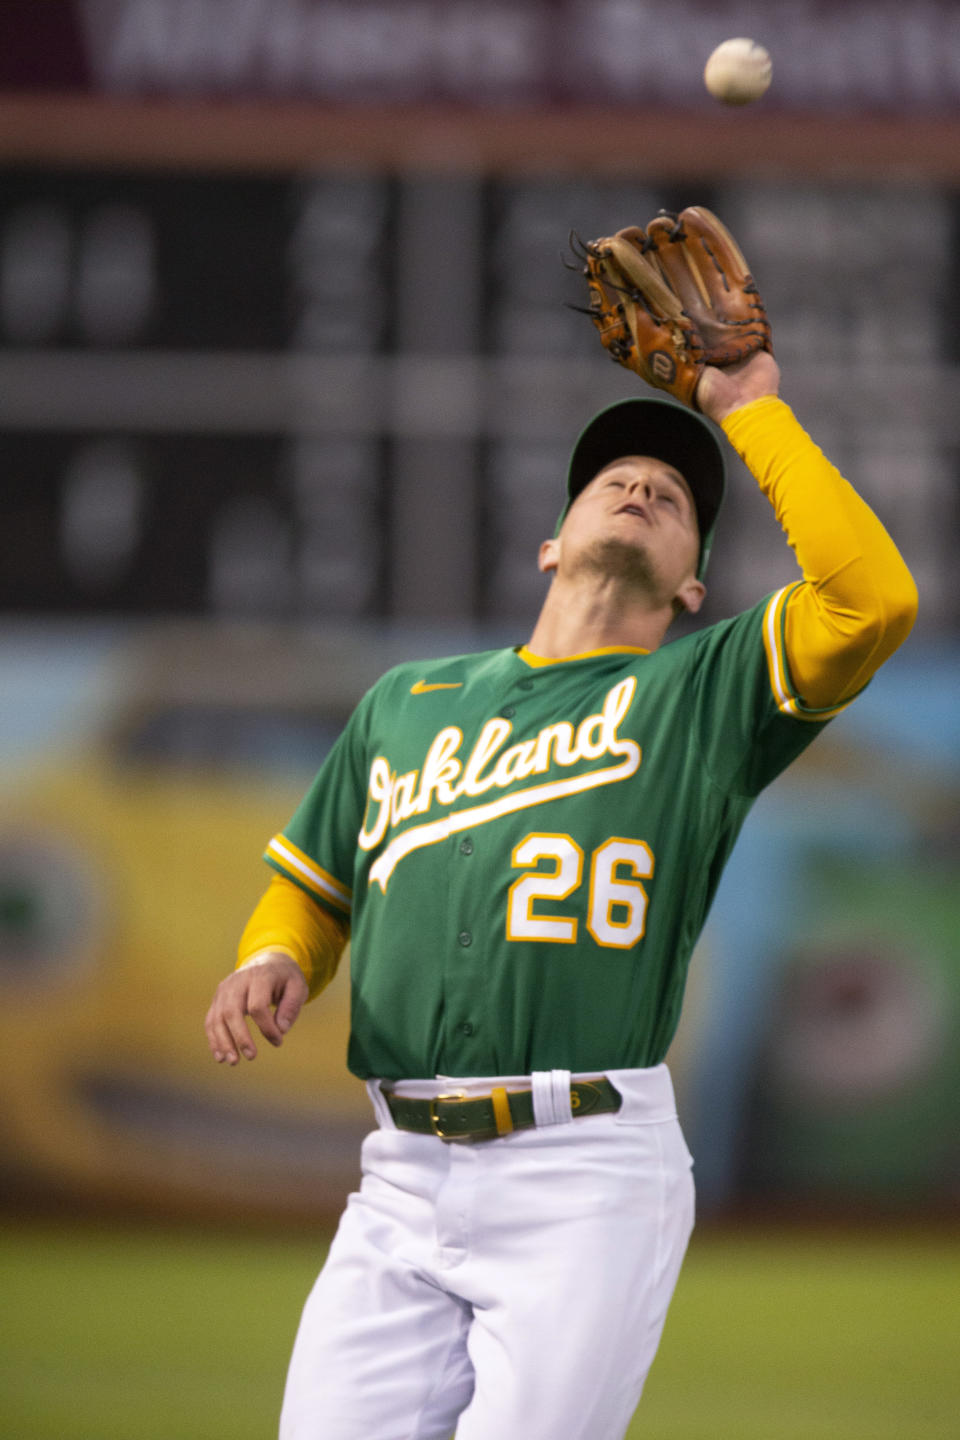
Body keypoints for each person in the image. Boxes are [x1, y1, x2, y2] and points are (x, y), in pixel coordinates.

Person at [205, 341, 917, 1440]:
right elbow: (313, 881)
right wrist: (274, 956)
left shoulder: (703, 695)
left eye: (673, 496)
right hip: (397, 1172)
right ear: (551, 545)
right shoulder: (410, 701)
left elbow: (873, 601)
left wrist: (752, 413)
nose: (640, 486)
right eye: (613, 480)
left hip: (583, 1173)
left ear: (692, 584)